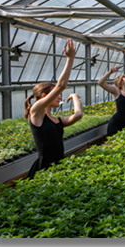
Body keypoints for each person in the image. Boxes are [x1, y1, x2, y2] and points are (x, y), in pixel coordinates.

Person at [23, 38, 83, 179]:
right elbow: (61, 85)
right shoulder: (36, 112)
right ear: (44, 96)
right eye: (56, 95)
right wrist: (70, 59)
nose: (60, 98)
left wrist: (74, 96)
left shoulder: (56, 120)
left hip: (58, 164)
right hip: (43, 167)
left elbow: (78, 114)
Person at [98, 46, 125, 137]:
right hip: (115, 125)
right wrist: (110, 72)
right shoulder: (117, 91)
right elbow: (100, 83)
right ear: (121, 82)